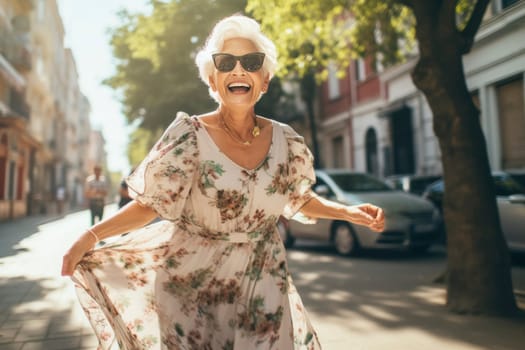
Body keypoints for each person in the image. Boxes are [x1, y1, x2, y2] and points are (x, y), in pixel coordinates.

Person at [62, 14, 385, 350]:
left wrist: (347, 212)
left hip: (265, 281)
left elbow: (299, 199)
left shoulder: (287, 141)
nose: (239, 69)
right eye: (226, 62)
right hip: (191, 287)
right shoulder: (188, 135)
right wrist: (89, 237)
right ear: (213, 81)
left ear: (265, 80)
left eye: (251, 62)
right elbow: (149, 206)